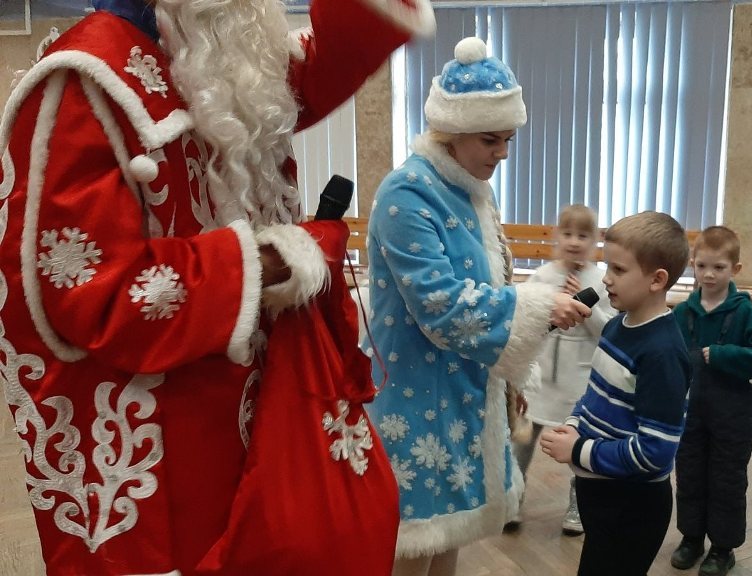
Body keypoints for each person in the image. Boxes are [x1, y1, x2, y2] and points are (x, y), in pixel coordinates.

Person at [0, 0, 435, 574]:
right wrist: (265, 261)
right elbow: (85, 297)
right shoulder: (86, 79)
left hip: (260, 427)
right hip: (167, 459)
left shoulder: (215, 54)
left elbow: (332, 57)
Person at [364, 37, 592, 576]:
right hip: (416, 391)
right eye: (492, 140)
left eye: (508, 139)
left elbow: (493, 280)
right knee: (413, 541)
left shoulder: (468, 188)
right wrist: (539, 308)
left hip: (465, 386)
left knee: (453, 531)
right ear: (453, 131)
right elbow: (441, 304)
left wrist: (511, 378)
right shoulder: (406, 194)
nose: (503, 153)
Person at [540, 211, 691, 576]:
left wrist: (577, 450)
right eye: (607, 266)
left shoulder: (663, 354)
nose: (606, 278)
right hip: (601, 494)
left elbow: (655, 452)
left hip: (632, 505)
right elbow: (594, 395)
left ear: (657, 280)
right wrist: (573, 424)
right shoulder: (615, 327)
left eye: (619, 270)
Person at [669, 225, 752, 576]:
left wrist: (723, 355)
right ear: (692, 265)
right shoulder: (681, 313)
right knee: (689, 475)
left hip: (733, 414)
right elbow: (668, 356)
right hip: (690, 414)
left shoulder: (744, 312)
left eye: (718, 267)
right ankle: (691, 538)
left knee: (726, 480)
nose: (709, 274)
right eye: (702, 266)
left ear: (735, 269)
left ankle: (722, 547)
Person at [510, 204, 614, 536]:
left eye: (583, 235)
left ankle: (578, 504)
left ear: (594, 241)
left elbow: (608, 330)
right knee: (522, 441)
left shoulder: (601, 282)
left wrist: (582, 307)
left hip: (578, 379)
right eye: (567, 234)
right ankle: (513, 497)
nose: (574, 242)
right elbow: (526, 319)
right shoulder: (543, 276)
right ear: (557, 236)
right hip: (541, 377)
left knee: (580, 442)